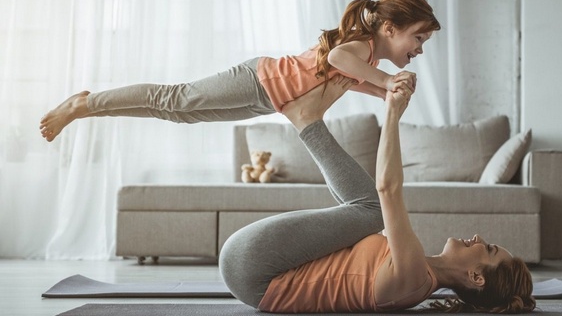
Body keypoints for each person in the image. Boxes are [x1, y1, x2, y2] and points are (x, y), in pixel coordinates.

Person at [218, 76, 536, 313]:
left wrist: (393, 113)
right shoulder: (417, 274)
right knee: (369, 213)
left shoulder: (413, 279)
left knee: (373, 211)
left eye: (489, 248)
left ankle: (306, 121)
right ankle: (307, 120)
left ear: (476, 277)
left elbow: (387, 189)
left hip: (253, 267)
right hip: (252, 268)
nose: (479, 237)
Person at [39, 0, 441, 142]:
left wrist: (383, 94)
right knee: (175, 97)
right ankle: (84, 104)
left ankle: (92, 109)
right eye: (418, 37)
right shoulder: (359, 46)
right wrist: (389, 81)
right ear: (389, 28)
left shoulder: (366, 56)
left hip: (267, 100)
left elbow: (351, 79)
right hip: (259, 80)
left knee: (180, 115)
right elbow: (337, 58)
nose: (420, 48)